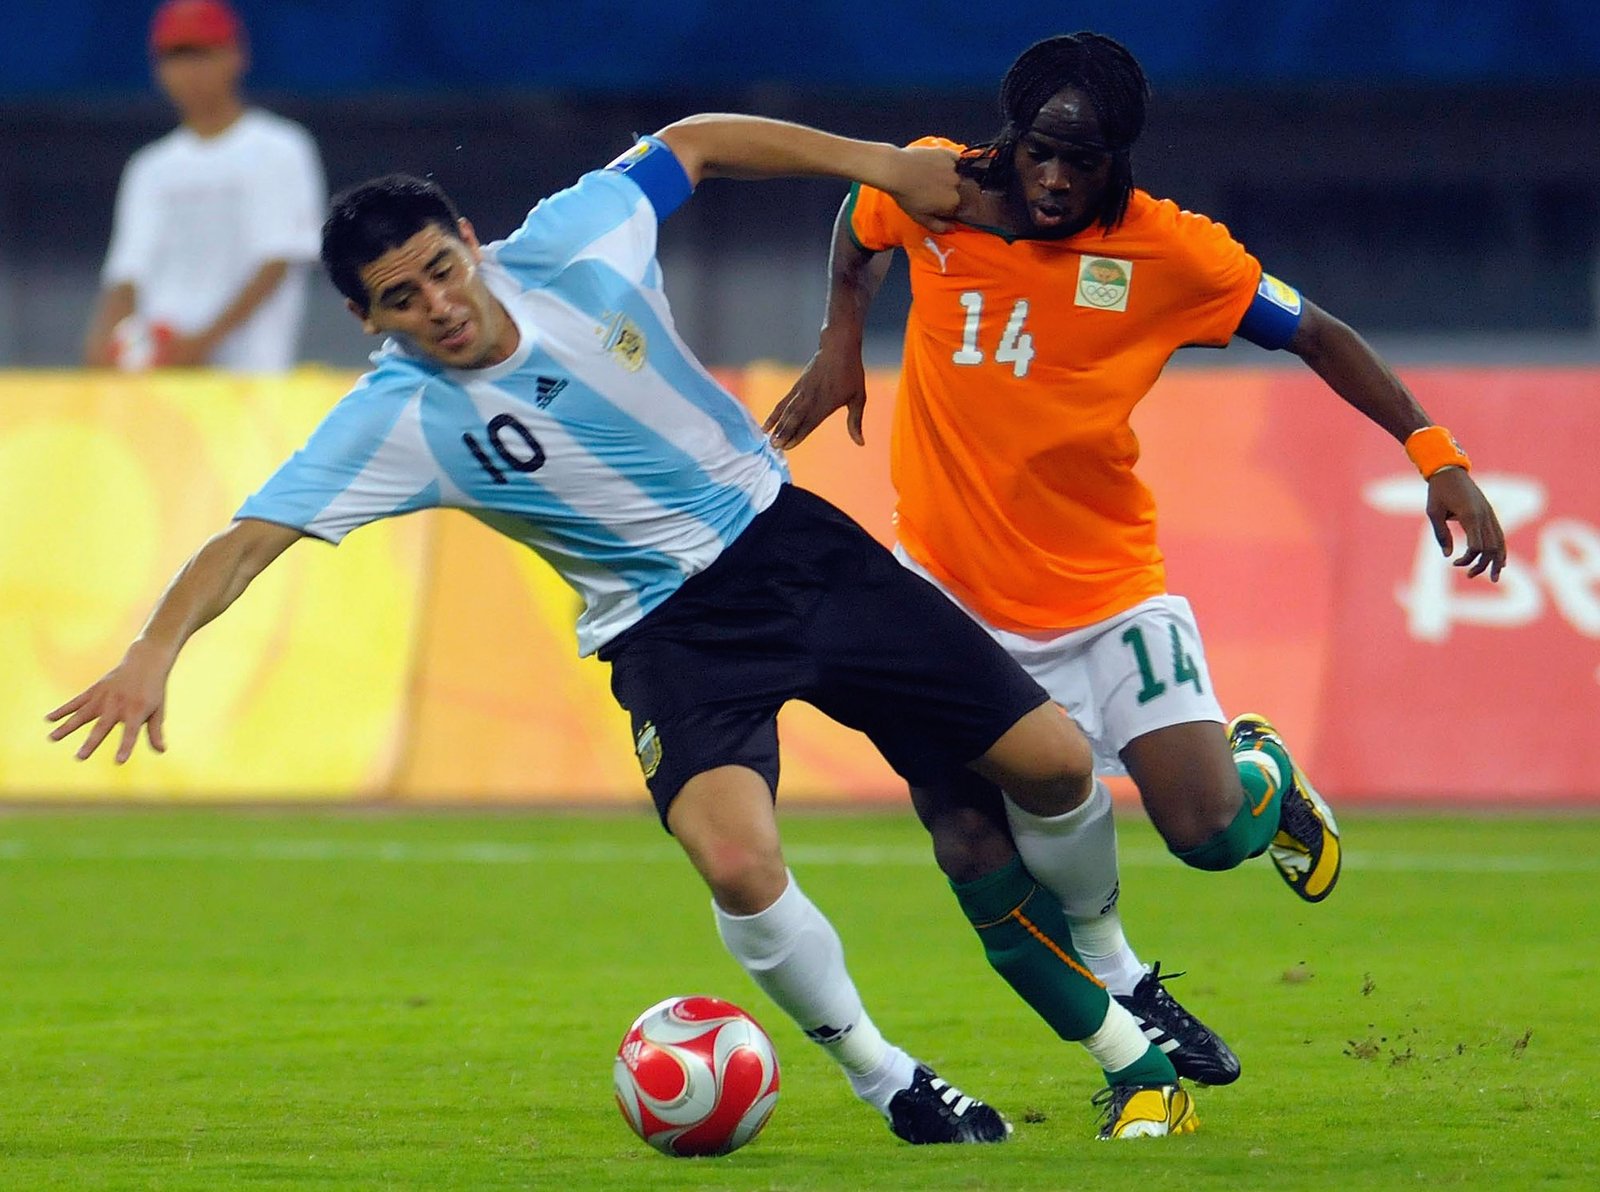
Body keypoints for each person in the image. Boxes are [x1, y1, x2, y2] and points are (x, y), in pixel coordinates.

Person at [47, 114, 1206, 1142]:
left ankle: (1111, 963)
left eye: (441, 270)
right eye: (401, 299)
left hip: (788, 548)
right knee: (738, 860)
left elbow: (694, 139)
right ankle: (885, 1075)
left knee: (1056, 763)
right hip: (667, 636)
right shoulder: (392, 418)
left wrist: (874, 167)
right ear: (366, 319)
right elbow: (249, 536)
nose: (438, 306)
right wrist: (155, 650)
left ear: (468, 237)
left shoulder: (573, 240)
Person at [765, 30, 1508, 1084]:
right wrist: (842, 338)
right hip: (946, 599)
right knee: (967, 836)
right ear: (1007, 136)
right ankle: (1124, 998)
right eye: (1041, 152)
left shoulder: (1174, 253)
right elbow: (856, 219)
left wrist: (1437, 454)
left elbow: (1316, 332)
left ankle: (1263, 777)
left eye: (1087, 159)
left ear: (1122, 158)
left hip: (1105, 595)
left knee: (1205, 832)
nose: (1059, 178)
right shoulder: (934, 189)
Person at [82, 0, 326, 373]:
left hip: (249, 379)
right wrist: (103, 344)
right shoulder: (150, 167)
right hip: (156, 376)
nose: (189, 69)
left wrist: (200, 344)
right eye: (176, 56)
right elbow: (126, 275)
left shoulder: (280, 148)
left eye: (202, 53)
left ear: (236, 56)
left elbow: (278, 262)